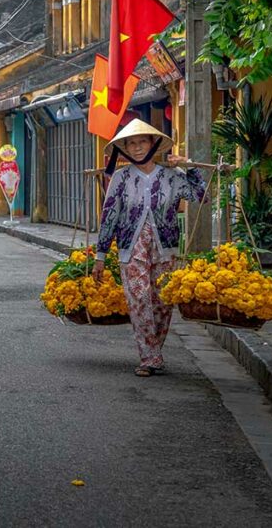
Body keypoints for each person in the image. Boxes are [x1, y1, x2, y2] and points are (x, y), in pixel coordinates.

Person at [93, 119, 206, 378]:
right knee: (139, 298)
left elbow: (202, 197)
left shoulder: (171, 176)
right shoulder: (120, 178)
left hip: (165, 248)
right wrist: (100, 256)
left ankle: (153, 352)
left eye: (141, 142)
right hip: (131, 248)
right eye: (131, 143)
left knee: (162, 302)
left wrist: (190, 169)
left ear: (153, 144)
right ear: (125, 149)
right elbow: (109, 216)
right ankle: (149, 357)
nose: (136, 147)